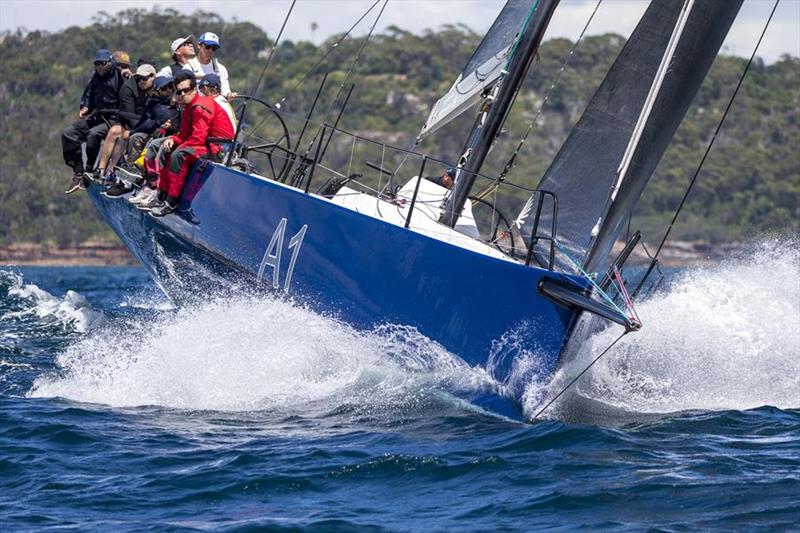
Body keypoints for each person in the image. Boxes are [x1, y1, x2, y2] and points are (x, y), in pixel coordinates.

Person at [140, 71, 235, 216]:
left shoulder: (200, 106)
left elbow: (198, 138)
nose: (183, 94)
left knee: (180, 154)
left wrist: (180, 144)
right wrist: (172, 140)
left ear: (195, 90)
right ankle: (161, 195)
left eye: (187, 90)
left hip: (220, 147)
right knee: (169, 149)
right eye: (180, 91)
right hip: (206, 144)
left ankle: (171, 202)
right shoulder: (187, 107)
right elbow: (184, 134)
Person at [62, 49, 124, 194]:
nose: (99, 67)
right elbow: (88, 96)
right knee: (68, 134)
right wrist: (85, 107)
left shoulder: (119, 76)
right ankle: (78, 172)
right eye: (96, 64)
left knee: (93, 135)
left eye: (102, 64)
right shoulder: (95, 77)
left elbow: (128, 99)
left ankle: (89, 171)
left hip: (113, 119)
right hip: (97, 116)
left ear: (109, 63)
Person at [96, 63, 154, 181]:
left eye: (144, 78)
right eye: (139, 78)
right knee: (115, 132)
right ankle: (102, 170)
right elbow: (129, 115)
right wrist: (135, 130)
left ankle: (122, 171)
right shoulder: (129, 88)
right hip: (134, 123)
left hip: (153, 126)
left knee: (129, 136)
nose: (141, 81)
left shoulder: (160, 89)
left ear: (153, 76)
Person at [195, 32, 236, 98]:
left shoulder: (221, 69)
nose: (210, 50)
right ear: (199, 45)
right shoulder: (189, 67)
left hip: (214, 106)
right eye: (207, 47)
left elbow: (225, 93)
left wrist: (229, 96)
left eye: (214, 48)